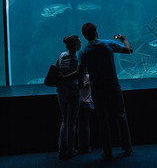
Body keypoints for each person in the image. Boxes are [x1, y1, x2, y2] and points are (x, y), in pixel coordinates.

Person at [79, 22, 133, 160]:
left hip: (97, 87)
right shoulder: (108, 44)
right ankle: (127, 147)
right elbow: (129, 50)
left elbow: (81, 72)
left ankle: (107, 151)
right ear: (96, 32)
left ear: (85, 36)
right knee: (121, 115)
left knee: (103, 120)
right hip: (112, 85)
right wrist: (124, 39)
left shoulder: (84, 52)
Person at [56, 35, 81, 160]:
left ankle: (61, 150)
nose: (81, 43)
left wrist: (62, 77)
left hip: (61, 92)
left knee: (64, 121)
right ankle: (70, 150)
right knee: (71, 123)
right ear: (75, 44)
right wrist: (67, 77)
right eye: (79, 42)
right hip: (73, 92)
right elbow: (78, 73)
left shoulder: (61, 55)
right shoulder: (77, 58)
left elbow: (56, 70)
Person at [77, 72, 94, 154]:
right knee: (85, 126)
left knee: (80, 126)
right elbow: (86, 85)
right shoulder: (87, 76)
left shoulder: (77, 77)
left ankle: (81, 145)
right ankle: (86, 146)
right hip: (86, 102)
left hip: (79, 102)